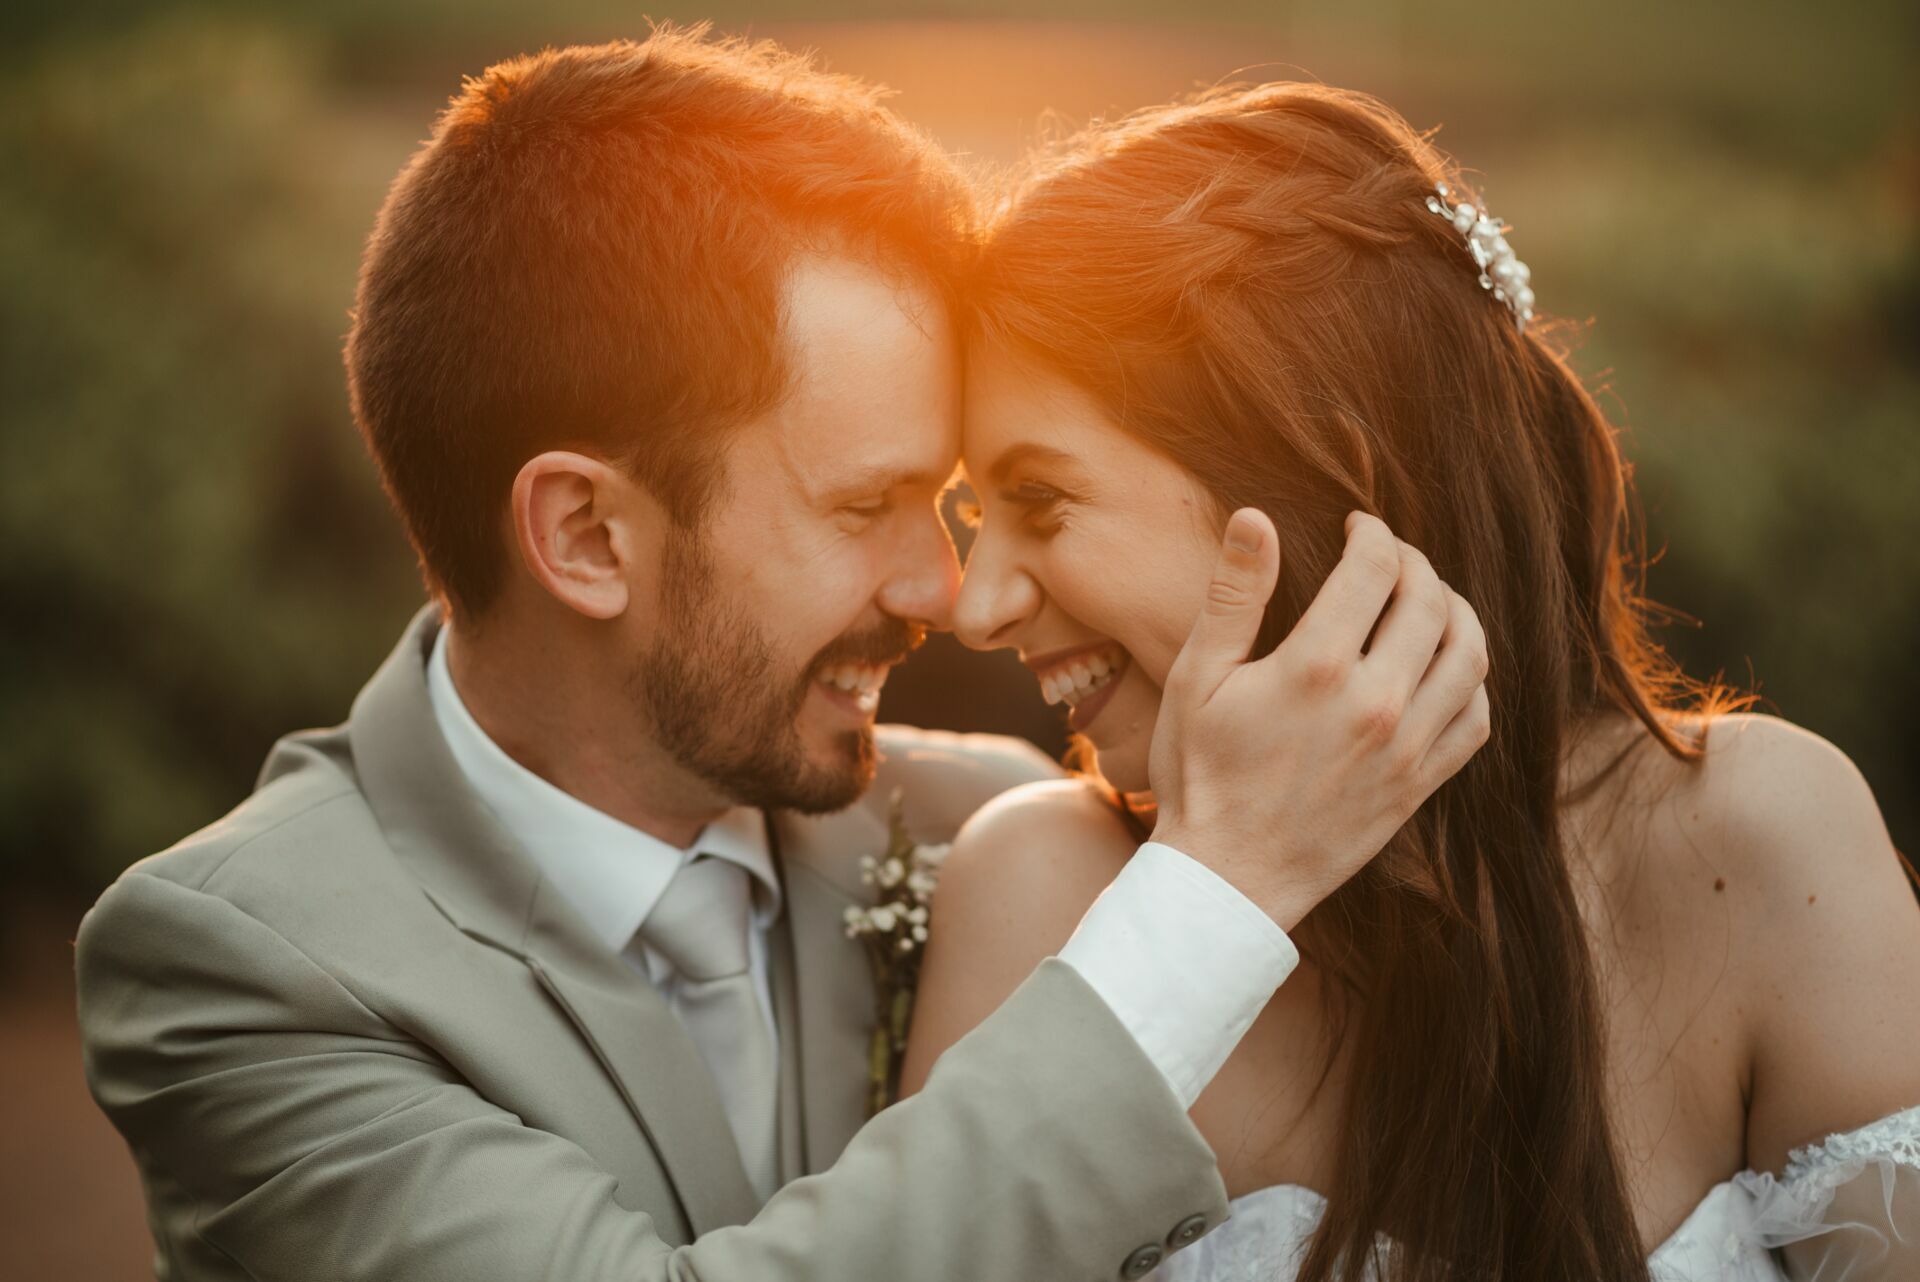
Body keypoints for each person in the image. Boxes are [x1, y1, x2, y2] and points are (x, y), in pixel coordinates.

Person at [74, 35, 1491, 1282]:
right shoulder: (242, 967)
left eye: (944, 502)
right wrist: (1209, 903)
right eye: (865, 505)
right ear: (585, 536)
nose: (941, 589)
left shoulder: (998, 835)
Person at [903, 82, 1920, 1280]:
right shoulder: (1037, 890)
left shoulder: (1749, 846)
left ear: (1305, 474)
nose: (974, 606)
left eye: (1040, 500)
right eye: (977, 513)